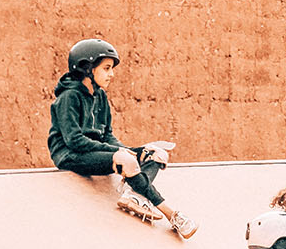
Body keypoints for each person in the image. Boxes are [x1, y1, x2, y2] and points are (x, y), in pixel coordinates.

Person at [47, 38, 197, 238]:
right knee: (126, 159)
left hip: (96, 151)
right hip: (70, 155)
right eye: (106, 68)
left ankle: (133, 195)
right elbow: (74, 140)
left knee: (155, 154)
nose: (112, 74)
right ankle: (172, 215)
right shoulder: (69, 98)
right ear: (87, 69)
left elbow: (107, 135)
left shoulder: (100, 96)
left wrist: (129, 150)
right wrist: (119, 153)